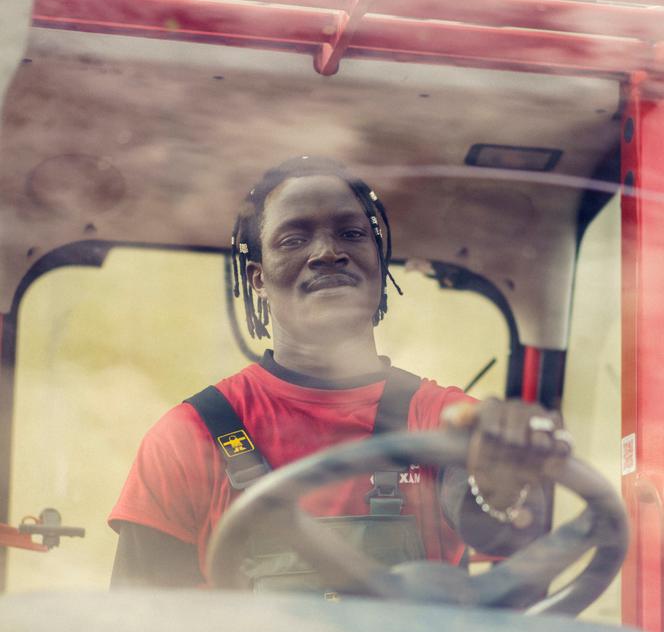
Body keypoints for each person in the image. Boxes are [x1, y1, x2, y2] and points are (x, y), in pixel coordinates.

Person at [109, 156, 569, 589]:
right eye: (293, 240)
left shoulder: (446, 419)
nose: (328, 252)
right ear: (258, 280)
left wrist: (501, 481)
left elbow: (496, 528)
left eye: (350, 234)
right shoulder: (189, 437)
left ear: (378, 261)